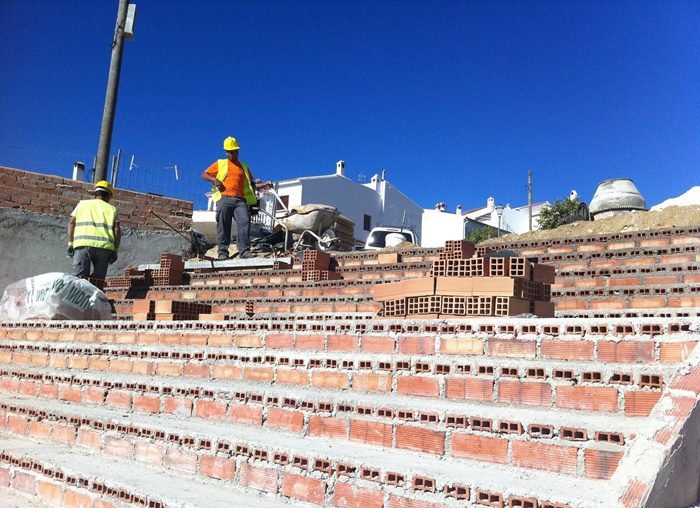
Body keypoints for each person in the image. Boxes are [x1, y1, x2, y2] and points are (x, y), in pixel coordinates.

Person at [201, 136, 272, 260]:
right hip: (224, 198)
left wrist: (264, 184)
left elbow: (252, 184)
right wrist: (214, 179)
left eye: (236, 151)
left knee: (245, 222)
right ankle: (222, 252)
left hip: (240, 201)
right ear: (226, 152)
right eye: (232, 152)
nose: (234, 154)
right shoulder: (221, 163)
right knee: (224, 225)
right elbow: (204, 174)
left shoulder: (243, 166)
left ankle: (244, 251)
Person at [67, 180, 121, 280]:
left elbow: (71, 223)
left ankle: (79, 295)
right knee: (98, 280)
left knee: (79, 278)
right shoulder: (112, 209)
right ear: (108, 196)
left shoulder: (82, 204)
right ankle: (95, 295)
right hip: (104, 248)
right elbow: (117, 230)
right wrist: (115, 250)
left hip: (83, 245)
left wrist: (70, 243)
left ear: (95, 193)